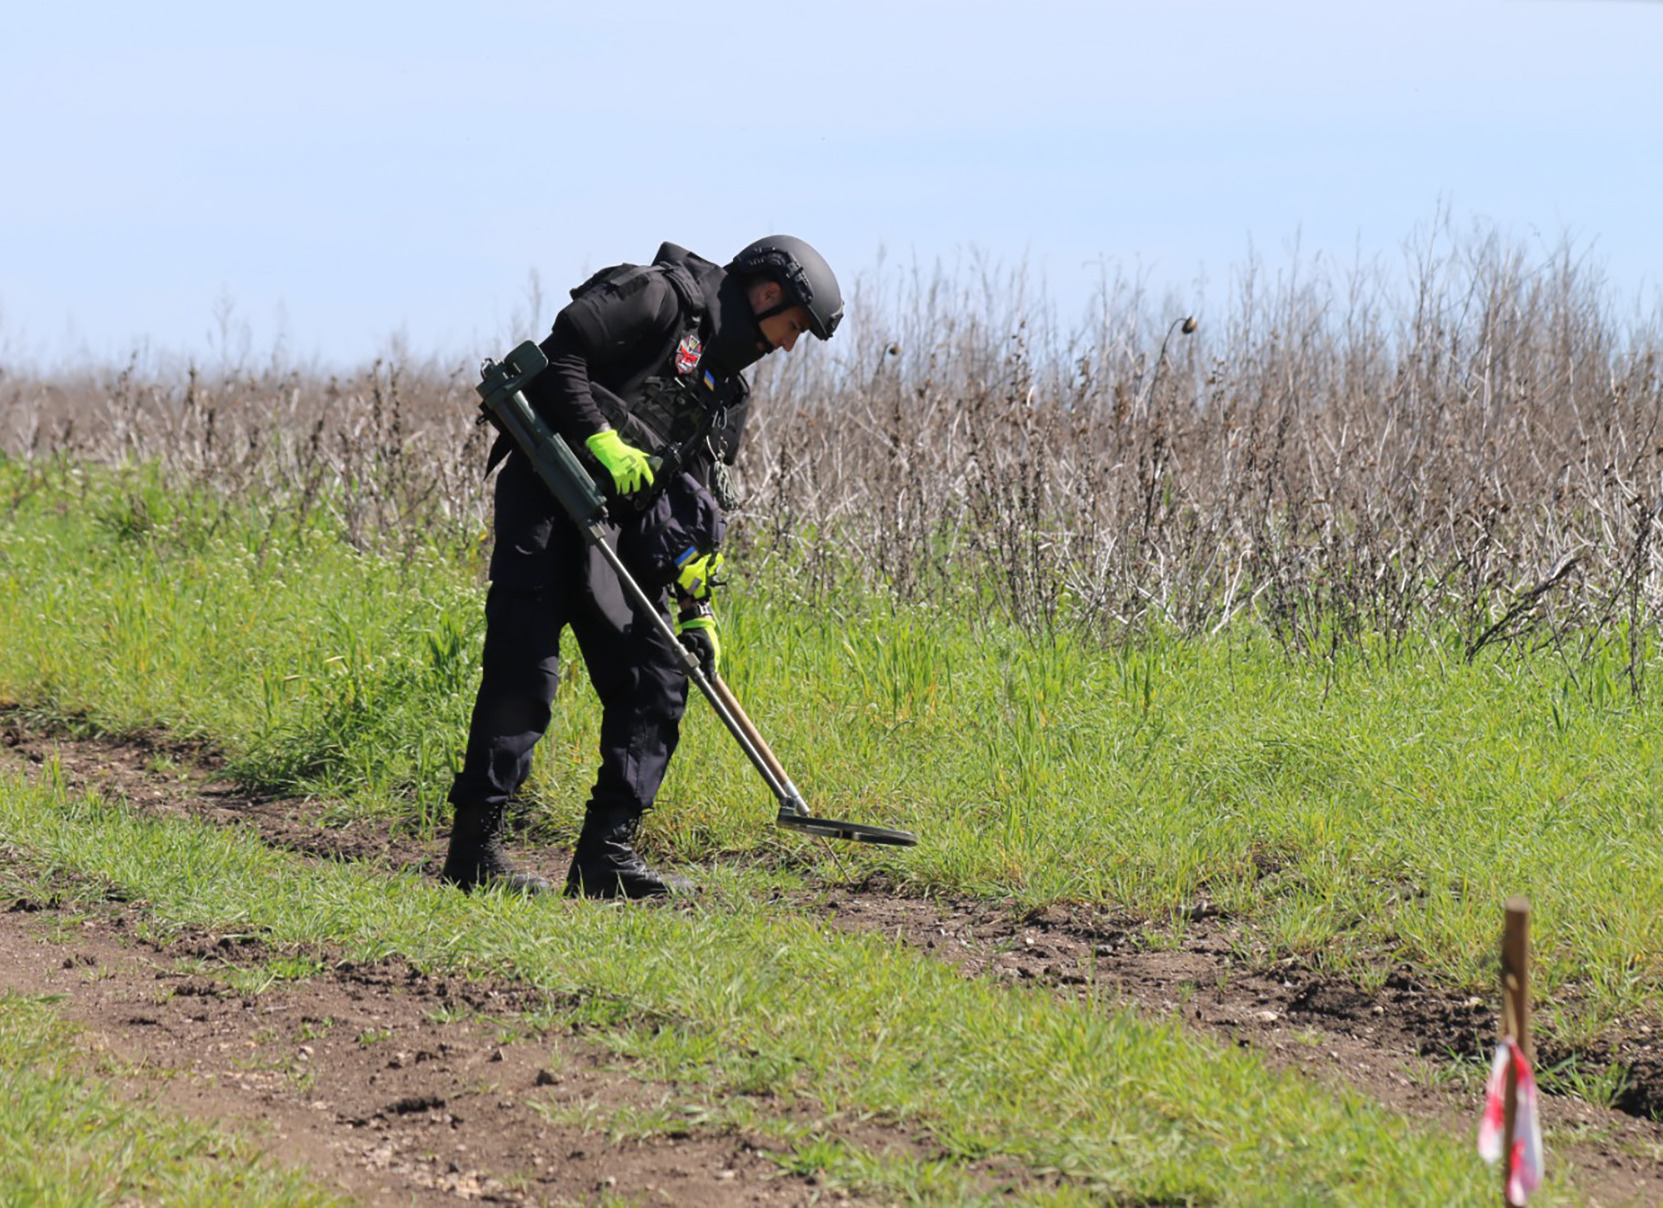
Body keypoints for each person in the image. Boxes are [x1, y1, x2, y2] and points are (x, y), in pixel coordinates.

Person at [441, 236, 843, 898]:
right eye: (793, 327)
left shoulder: (726, 395)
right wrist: (600, 438)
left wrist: (698, 608)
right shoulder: (657, 297)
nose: (789, 344)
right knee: (526, 672)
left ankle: (606, 860)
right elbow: (561, 355)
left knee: (656, 677)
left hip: (619, 539)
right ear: (768, 294)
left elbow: (698, 504)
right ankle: (473, 853)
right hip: (547, 501)